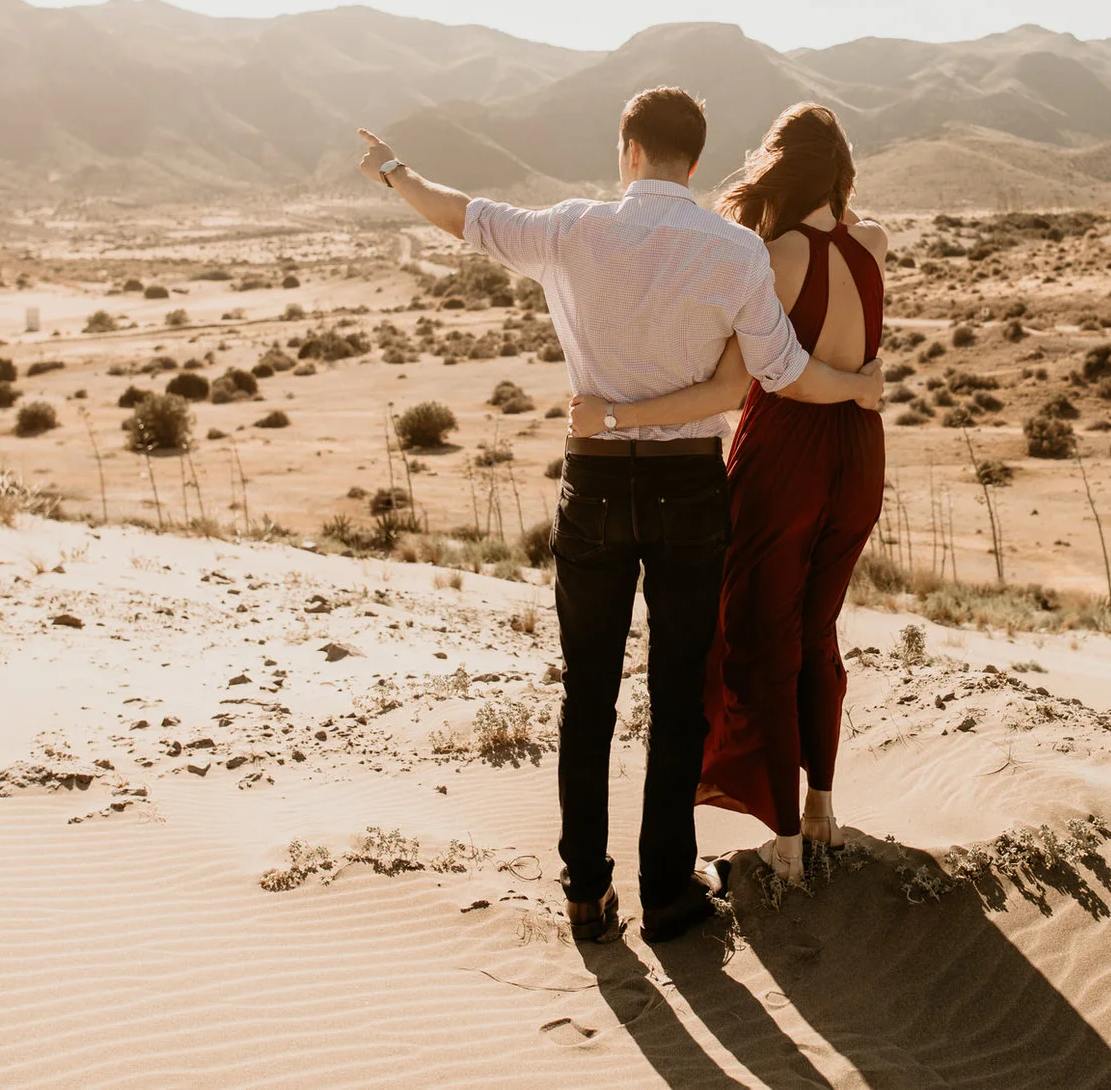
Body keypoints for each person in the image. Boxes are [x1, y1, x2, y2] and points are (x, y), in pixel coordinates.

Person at [355, 90, 881, 945]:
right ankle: (669, 895)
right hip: (690, 489)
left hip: (595, 484)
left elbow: (463, 217)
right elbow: (779, 373)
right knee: (679, 699)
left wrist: (392, 170)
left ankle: (585, 895)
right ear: (698, 162)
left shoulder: (572, 228)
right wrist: (858, 388)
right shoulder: (737, 251)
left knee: (589, 696)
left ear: (628, 150)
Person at [567, 103, 884, 885]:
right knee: (818, 633)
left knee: (758, 637)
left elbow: (751, 382)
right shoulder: (873, 245)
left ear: (782, 167)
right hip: (860, 452)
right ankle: (822, 808)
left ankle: (782, 841)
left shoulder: (772, 255)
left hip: (787, 455)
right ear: (839, 172)